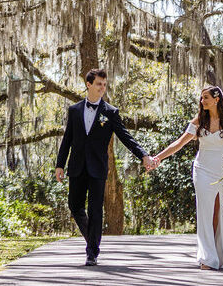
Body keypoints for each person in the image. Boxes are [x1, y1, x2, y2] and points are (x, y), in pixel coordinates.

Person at [55, 68, 156, 266]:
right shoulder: (74, 110)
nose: (102, 87)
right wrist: (60, 164)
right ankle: (92, 240)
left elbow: (126, 137)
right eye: (99, 84)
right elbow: (67, 139)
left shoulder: (110, 112)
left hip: (97, 169)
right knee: (75, 206)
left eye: (104, 84)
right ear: (89, 84)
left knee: (95, 209)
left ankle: (91, 252)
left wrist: (143, 155)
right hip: (76, 167)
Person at [152, 86, 223, 270]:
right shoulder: (198, 122)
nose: (203, 101)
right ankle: (207, 258)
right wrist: (158, 158)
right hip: (201, 170)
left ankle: (221, 255)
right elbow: (178, 143)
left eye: (206, 97)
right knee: (205, 212)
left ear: (216, 99)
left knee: (218, 211)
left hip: (222, 171)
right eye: (202, 98)